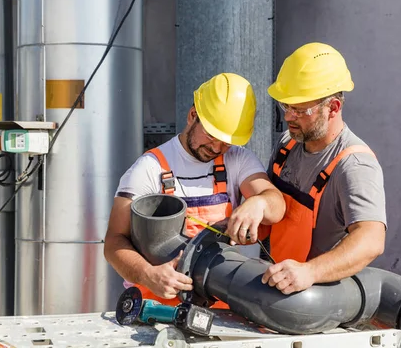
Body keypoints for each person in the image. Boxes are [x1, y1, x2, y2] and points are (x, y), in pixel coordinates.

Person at [104, 72, 285, 306]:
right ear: (192, 116)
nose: (217, 147)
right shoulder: (149, 168)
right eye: (211, 135)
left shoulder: (238, 160)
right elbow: (113, 242)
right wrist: (148, 275)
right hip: (158, 310)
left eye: (227, 141)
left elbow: (276, 205)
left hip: (222, 310)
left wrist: (259, 203)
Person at [260, 42, 387, 295]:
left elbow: (372, 240)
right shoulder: (288, 144)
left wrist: (310, 272)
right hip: (273, 288)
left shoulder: (354, 165)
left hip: (318, 302)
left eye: (300, 110)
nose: (288, 117)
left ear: (333, 108)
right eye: (286, 107)